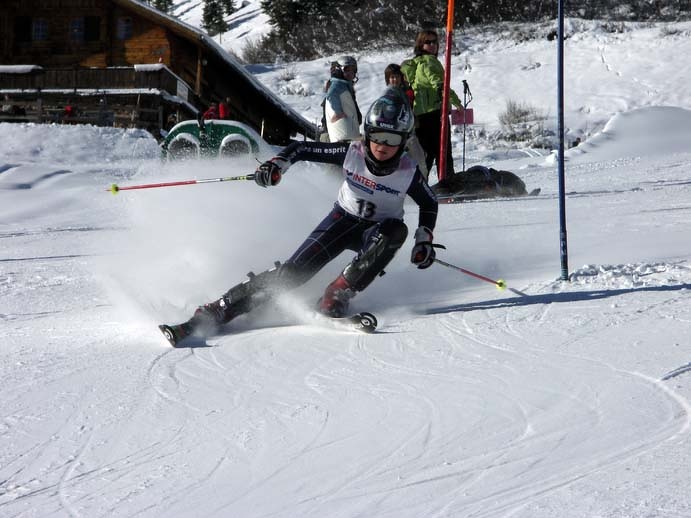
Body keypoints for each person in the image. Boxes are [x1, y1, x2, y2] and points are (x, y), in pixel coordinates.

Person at [162, 90, 439, 345]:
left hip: (376, 232)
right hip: (342, 221)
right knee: (292, 275)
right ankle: (218, 309)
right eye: (377, 136)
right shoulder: (351, 153)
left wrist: (424, 239)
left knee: (395, 230)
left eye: (392, 139)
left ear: (404, 140)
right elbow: (301, 149)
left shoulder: (408, 172)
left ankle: (335, 296)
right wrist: (277, 165)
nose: (382, 145)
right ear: (367, 134)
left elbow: (429, 202)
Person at [402, 29, 462, 183]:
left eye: (435, 42)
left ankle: (419, 185)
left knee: (425, 155)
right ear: (421, 45)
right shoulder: (429, 62)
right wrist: (457, 103)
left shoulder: (416, 63)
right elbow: (441, 86)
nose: (433, 45)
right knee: (443, 152)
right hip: (435, 114)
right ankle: (447, 183)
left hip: (420, 116)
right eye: (428, 42)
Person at [384, 63, 429, 180]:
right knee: (401, 163)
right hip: (395, 134)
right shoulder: (387, 94)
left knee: (419, 159)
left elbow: (409, 109)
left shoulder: (405, 92)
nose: (395, 80)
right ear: (388, 79)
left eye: (397, 77)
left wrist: (414, 118)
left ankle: (422, 184)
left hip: (408, 132)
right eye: (392, 77)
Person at [322, 56, 362, 142]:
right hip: (343, 136)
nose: (350, 73)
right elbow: (331, 95)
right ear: (339, 70)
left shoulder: (345, 85)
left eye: (353, 70)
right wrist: (338, 112)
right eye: (347, 69)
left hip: (349, 133)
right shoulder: (337, 85)